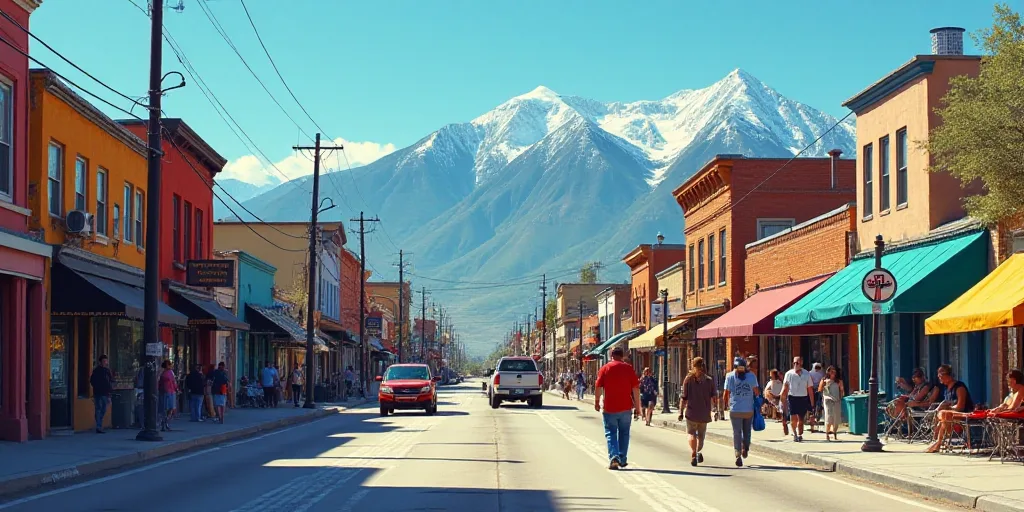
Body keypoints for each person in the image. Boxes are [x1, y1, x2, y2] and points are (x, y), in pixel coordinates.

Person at [594, 346, 641, 470]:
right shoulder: (629, 369)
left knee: (611, 433)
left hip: (610, 408)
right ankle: (623, 458)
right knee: (624, 433)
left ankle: (614, 457)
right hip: (626, 407)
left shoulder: (605, 368)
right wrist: (638, 407)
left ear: (611, 355)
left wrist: (597, 401)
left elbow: (598, 386)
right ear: (622, 356)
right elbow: (635, 389)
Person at [926, 364, 977, 453]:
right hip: (951, 415)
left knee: (944, 414)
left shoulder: (959, 387)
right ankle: (937, 441)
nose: (939, 376)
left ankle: (938, 442)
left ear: (947, 375)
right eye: (938, 374)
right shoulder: (946, 389)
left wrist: (948, 407)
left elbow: (960, 407)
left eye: (940, 374)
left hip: (965, 413)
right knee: (942, 414)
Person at [679, 357, 716, 466]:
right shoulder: (709, 380)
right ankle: (698, 451)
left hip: (691, 412)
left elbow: (683, 397)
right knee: (701, 437)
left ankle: (694, 453)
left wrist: (681, 411)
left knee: (691, 433)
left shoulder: (688, 379)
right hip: (704, 413)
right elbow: (714, 397)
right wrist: (717, 411)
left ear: (693, 366)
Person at [724, 356, 759, 467]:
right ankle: (746, 447)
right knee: (747, 431)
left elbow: (726, 394)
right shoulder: (751, 376)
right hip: (748, 409)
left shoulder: (730, 376)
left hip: (735, 409)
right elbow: (757, 392)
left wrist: (726, 405)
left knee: (737, 432)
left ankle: (738, 453)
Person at [780, 356, 814, 442]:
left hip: (803, 398)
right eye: (794, 363)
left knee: (801, 420)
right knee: (793, 418)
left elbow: (810, 389)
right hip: (792, 398)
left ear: (801, 363)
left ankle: (800, 434)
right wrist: (782, 399)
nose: (795, 365)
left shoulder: (806, 374)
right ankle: (795, 434)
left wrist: (812, 403)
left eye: (797, 363)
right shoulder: (789, 374)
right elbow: (785, 388)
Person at [89, 355, 115, 434]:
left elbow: (110, 380)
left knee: (103, 408)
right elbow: (92, 380)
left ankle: (99, 423)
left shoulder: (107, 370)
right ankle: (99, 426)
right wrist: (96, 387)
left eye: (106, 361)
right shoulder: (96, 370)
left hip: (105, 393)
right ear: (100, 362)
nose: (105, 363)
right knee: (98, 408)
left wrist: (109, 392)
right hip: (97, 392)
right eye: (104, 361)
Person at [819, 366, 845, 441]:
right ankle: (827, 433)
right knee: (829, 416)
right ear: (828, 372)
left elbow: (842, 391)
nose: (832, 373)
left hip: (836, 400)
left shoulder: (838, 381)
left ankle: (834, 433)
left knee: (836, 418)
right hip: (828, 400)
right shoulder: (824, 380)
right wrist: (826, 384)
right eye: (831, 371)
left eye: (834, 371)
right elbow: (820, 389)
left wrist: (841, 395)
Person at [158, 360, 178, 431]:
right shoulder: (169, 373)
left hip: (165, 391)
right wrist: (177, 389)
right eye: (170, 364)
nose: (171, 366)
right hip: (169, 391)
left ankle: (164, 422)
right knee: (170, 408)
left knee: (165, 408)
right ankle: (165, 422)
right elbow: (173, 382)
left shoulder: (163, 373)